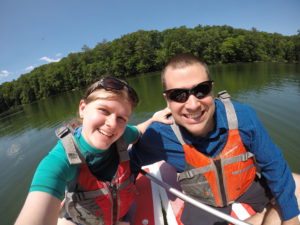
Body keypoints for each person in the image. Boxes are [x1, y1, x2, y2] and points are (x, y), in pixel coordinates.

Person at [130, 53, 300, 225]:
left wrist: (291, 218)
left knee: (295, 190)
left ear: (211, 88)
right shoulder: (160, 134)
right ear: (167, 99)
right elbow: (131, 161)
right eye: (178, 95)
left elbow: (273, 163)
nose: (193, 105)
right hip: (205, 200)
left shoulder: (243, 116)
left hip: (248, 186)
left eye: (201, 90)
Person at [14, 76, 172, 225]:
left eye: (121, 118)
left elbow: (137, 130)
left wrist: (153, 119)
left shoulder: (122, 135)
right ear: (83, 108)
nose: (112, 124)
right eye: (104, 110)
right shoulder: (59, 160)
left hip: (121, 216)